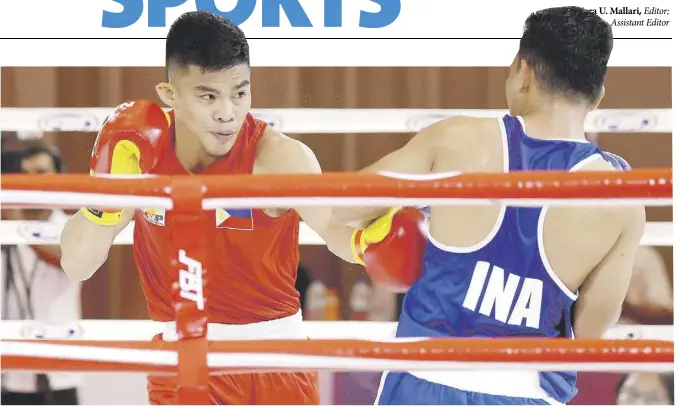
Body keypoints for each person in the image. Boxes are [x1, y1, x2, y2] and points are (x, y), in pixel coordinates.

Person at [58, 10, 420, 405]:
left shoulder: (279, 157)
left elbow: (335, 229)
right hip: (182, 362)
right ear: (170, 94)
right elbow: (77, 265)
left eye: (240, 92)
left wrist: (368, 242)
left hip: (274, 361)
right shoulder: (142, 150)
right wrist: (105, 197)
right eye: (208, 95)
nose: (227, 113)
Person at [333, 6, 646, 405]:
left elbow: (344, 206)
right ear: (598, 97)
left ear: (523, 71)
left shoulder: (459, 140)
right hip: (527, 392)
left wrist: (389, 230)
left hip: (423, 381)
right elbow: (590, 331)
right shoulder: (620, 199)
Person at [1, 145, 82, 405]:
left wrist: (17, 226)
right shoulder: (6, 227)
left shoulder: (73, 226)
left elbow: (67, 260)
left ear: (60, 177)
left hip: (59, 374)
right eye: (24, 174)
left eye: (40, 172)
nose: (32, 181)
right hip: (11, 374)